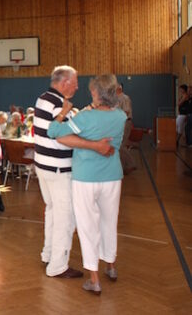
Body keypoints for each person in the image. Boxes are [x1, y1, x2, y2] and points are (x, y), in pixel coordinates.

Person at [48, 74, 126, 296]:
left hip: (85, 179)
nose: (90, 93)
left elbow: (54, 131)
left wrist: (64, 111)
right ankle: (110, 266)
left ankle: (94, 279)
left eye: (93, 91)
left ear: (99, 95)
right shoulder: (121, 116)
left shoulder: (84, 118)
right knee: (109, 222)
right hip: (112, 177)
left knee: (87, 227)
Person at [33, 65, 115, 279]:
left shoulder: (43, 98)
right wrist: (95, 145)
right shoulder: (58, 104)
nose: (78, 87)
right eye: (76, 82)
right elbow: (63, 136)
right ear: (64, 82)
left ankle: (48, 254)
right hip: (58, 169)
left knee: (52, 212)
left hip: (43, 166)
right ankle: (57, 266)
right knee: (65, 218)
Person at [116, 84, 136, 174]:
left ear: (119, 88)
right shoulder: (116, 99)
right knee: (120, 145)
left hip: (125, 122)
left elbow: (126, 112)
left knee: (121, 145)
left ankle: (131, 164)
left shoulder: (125, 98)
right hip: (120, 123)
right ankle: (124, 166)